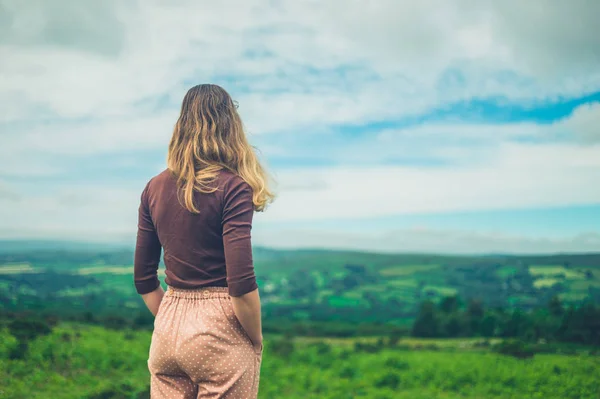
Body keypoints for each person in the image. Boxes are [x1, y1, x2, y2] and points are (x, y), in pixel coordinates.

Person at [133, 84, 275, 398]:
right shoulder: (233, 187)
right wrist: (255, 338)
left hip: (167, 330)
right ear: (231, 128)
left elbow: (144, 279)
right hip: (221, 333)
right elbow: (240, 282)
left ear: (181, 127)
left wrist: (176, 320)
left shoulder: (153, 188)